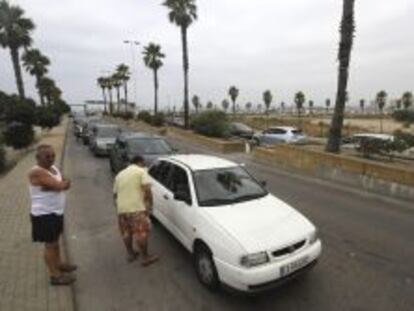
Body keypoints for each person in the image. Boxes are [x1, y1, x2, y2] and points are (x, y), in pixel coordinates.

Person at [28, 144, 77, 286]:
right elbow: (61, 186)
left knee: (55, 242)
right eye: (47, 156)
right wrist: (59, 185)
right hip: (44, 214)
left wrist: (57, 185)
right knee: (50, 245)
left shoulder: (53, 168)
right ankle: (55, 276)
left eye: (53, 155)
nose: (51, 158)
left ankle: (59, 264)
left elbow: (65, 183)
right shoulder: (36, 171)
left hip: (55, 212)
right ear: (38, 157)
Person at [113, 155, 159, 266]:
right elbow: (147, 189)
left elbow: (115, 195)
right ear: (140, 162)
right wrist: (150, 205)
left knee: (126, 232)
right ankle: (145, 258)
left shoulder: (120, 174)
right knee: (141, 233)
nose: (144, 166)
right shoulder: (141, 171)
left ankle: (130, 254)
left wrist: (119, 208)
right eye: (143, 163)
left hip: (122, 209)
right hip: (136, 209)